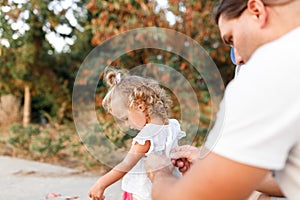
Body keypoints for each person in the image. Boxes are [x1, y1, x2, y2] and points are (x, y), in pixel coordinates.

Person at [145, 0, 300, 199]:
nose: (238, 58)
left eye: (232, 39)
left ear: (256, 11)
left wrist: (159, 173)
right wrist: (215, 163)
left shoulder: (271, 70)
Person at [88, 67, 186, 200]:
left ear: (140, 106)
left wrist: (101, 184)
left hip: (143, 193)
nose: (127, 125)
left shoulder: (146, 138)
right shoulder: (172, 125)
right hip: (168, 187)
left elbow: (125, 165)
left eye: (126, 118)